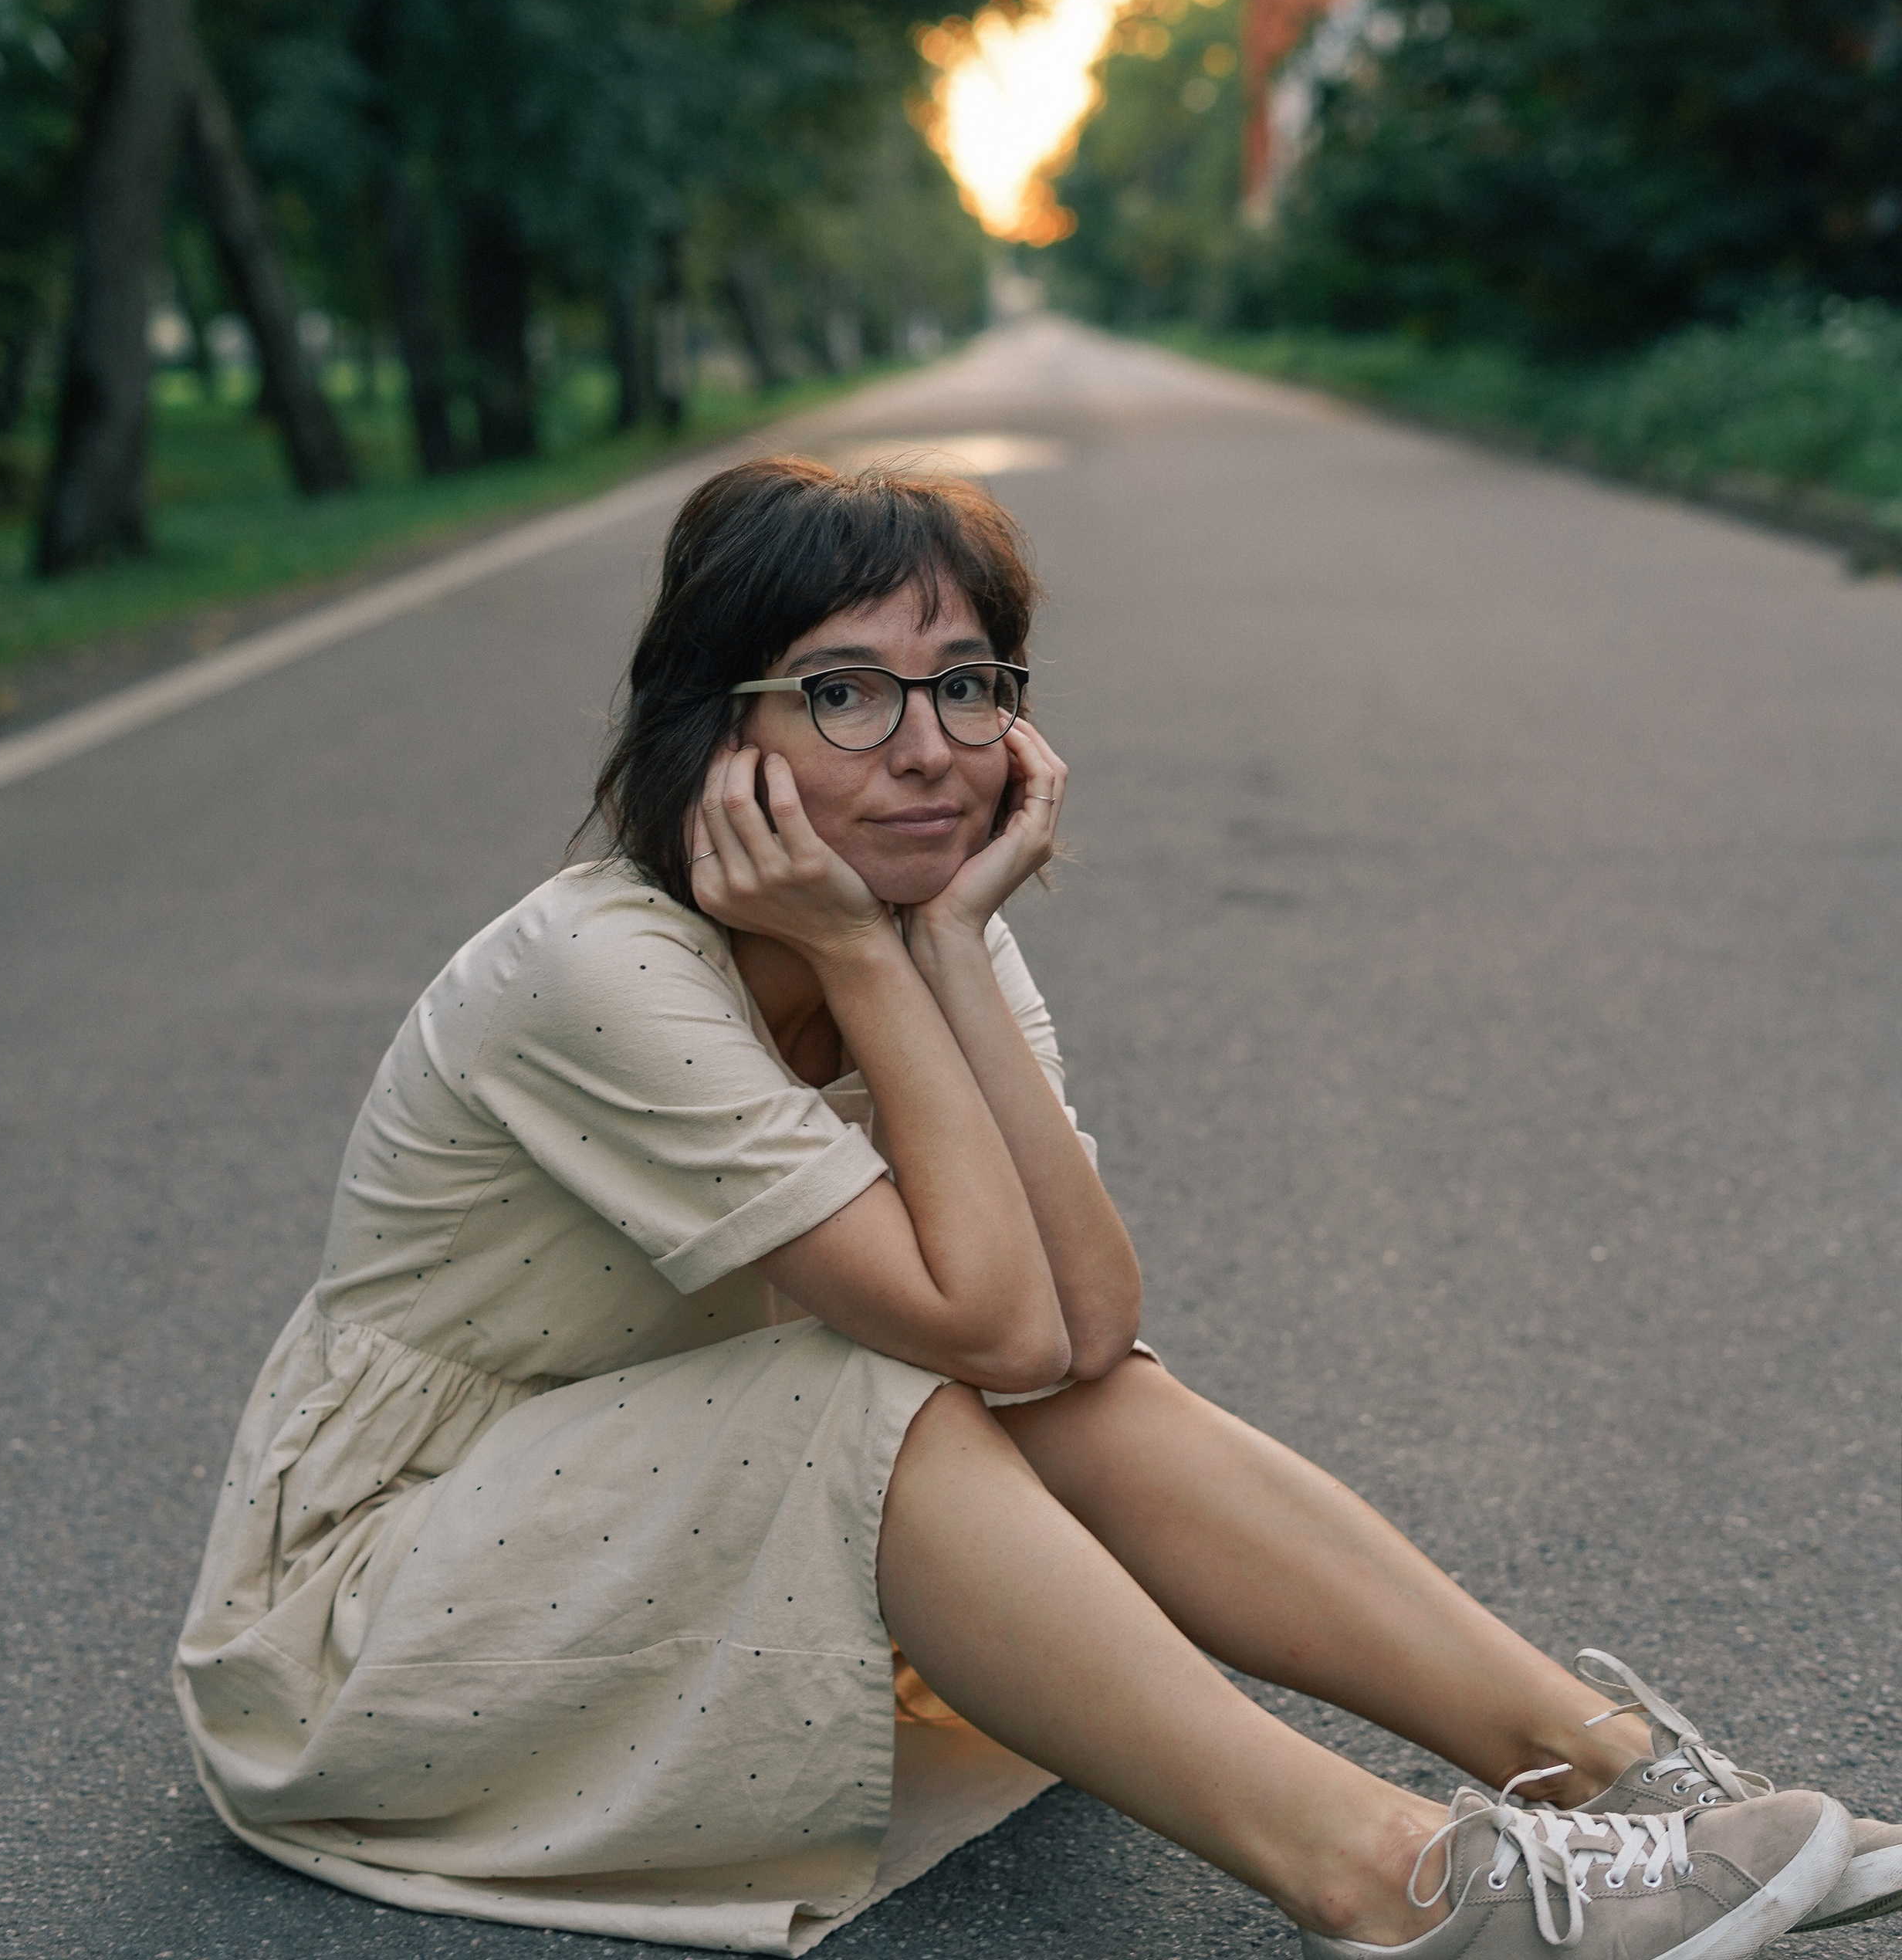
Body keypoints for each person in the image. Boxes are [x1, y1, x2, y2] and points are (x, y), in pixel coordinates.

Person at [175, 455, 1899, 1958]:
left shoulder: (941, 922)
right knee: (875, 1382)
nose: (925, 750)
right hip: (389, 1609)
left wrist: (929, 956)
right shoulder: (594, 969)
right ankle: (1398, 1876)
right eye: (842, 692)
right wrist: (867, 951)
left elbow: (1078, 1331)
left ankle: (1613, 1767)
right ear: (718, 733)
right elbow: (978, 1327)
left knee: (1076, 1388)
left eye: (968, 685)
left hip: (666, 1516)